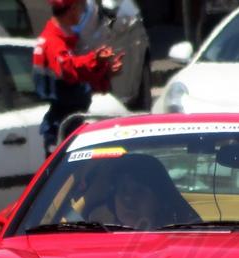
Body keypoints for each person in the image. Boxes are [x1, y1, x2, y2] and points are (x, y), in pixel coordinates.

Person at [33, 0, 124, 157]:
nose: (83, 13)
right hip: (62, 125)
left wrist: (106, 71)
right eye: (82, 8)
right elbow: (69, 70)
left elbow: (81, 79)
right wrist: (95, 60)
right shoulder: (53, 42)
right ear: (73, 8)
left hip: (70, 121)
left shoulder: (67, 40)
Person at [71, 154, 201, 230]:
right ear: (112, 201)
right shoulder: (94, 239)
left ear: (160, 199)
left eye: (139, 191)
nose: (128, 199)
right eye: (122, 190)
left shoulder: (188, 240)